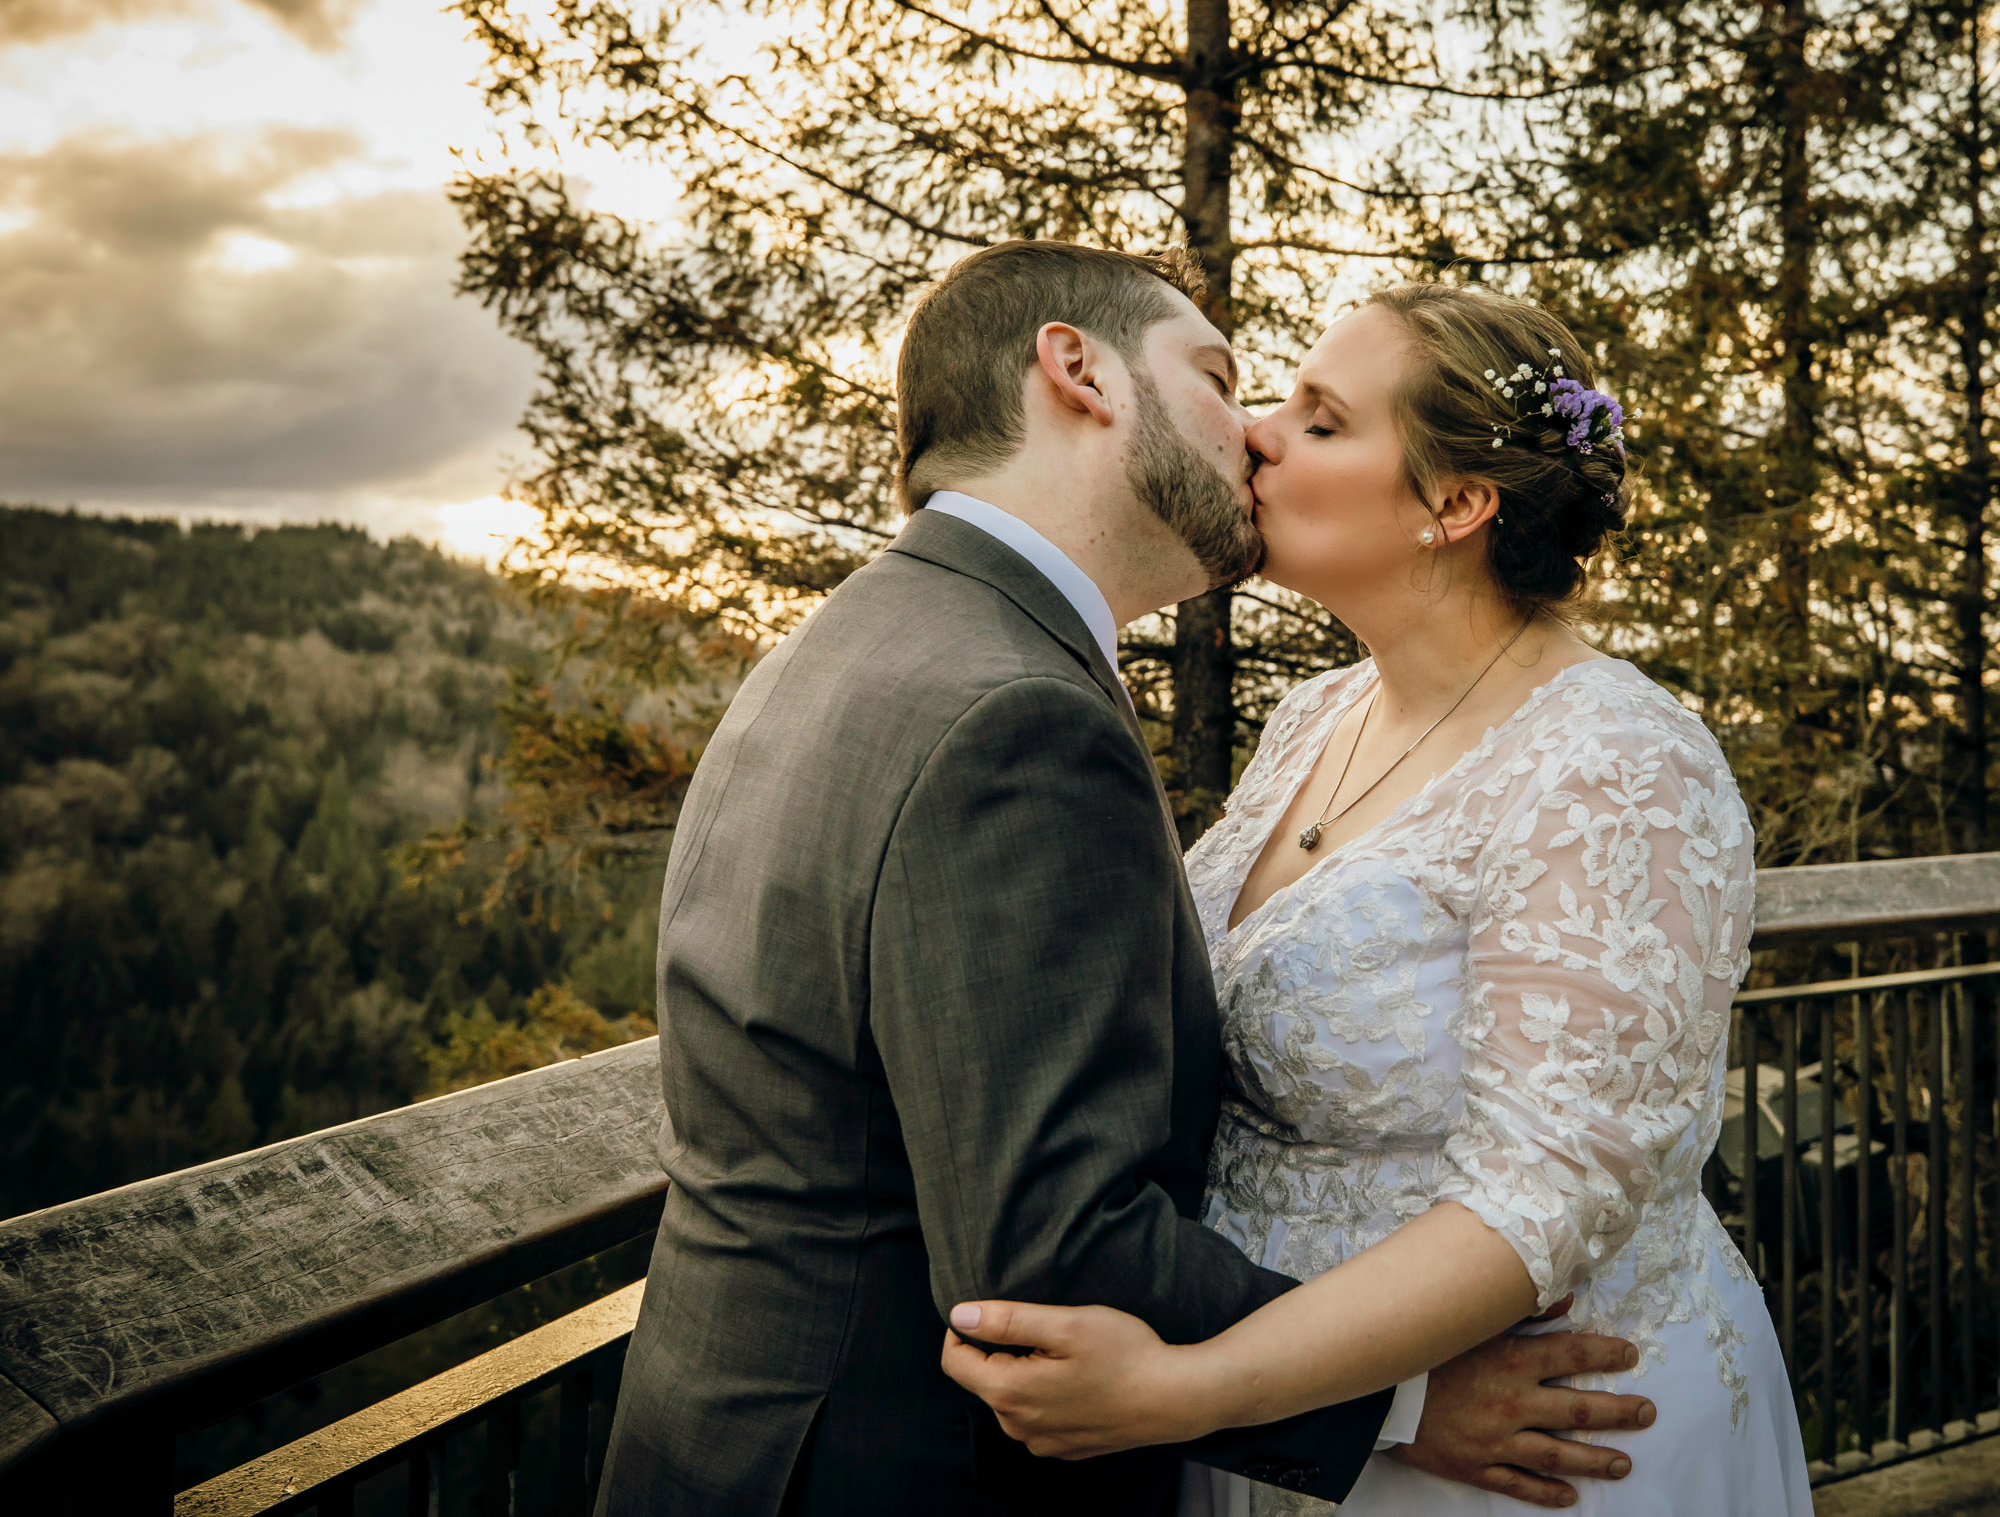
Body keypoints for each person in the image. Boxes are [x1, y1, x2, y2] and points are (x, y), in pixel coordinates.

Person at [594, 243, 1655, 1517]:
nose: (1254, 432)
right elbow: (1049, 1248)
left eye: (1311, 415)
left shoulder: (860, 640)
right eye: (1220, 377)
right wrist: (1401, 1403)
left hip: (740, 1442)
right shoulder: (1012, 709)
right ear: (1076, 370)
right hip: (887, 1463)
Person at [940, 283, 1814, 1515]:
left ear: (1454, 506)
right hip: (1295, 1423)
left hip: (1530, 1450)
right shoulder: (1314, 719)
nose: (1258, 434)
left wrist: (1184, 1390)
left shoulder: (1617, 760)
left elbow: (1542, 1192)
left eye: (1321, 418)